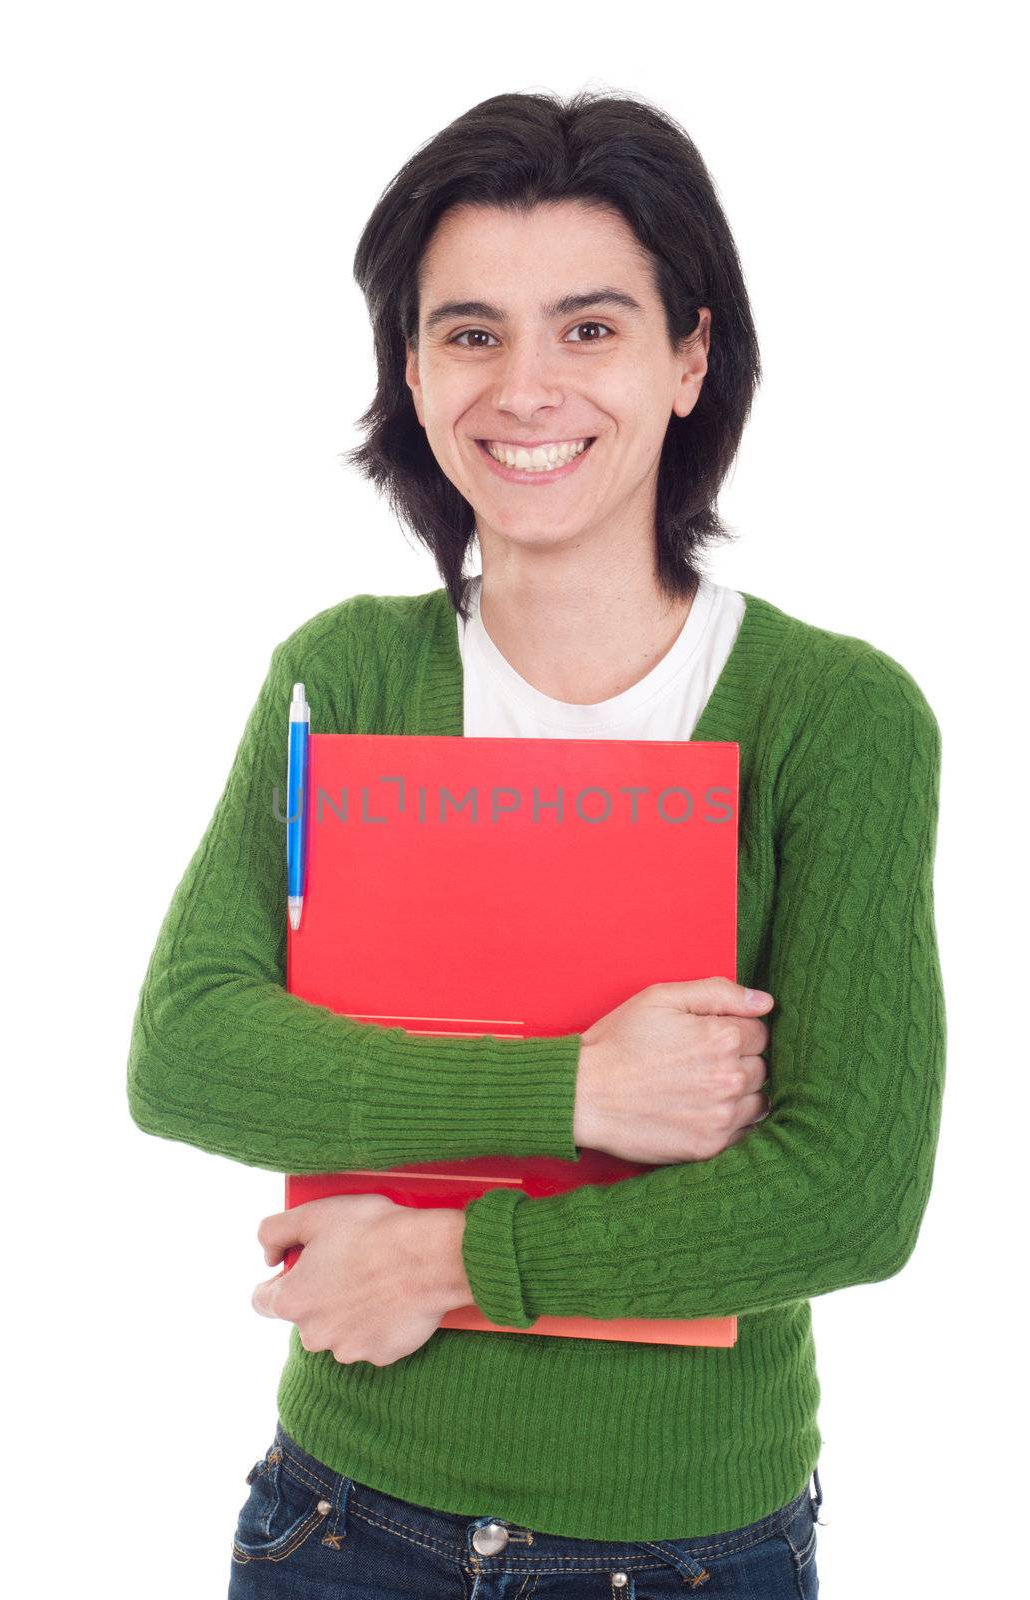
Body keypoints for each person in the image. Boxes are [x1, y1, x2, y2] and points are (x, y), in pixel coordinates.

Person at [127, 89, 945, 1599]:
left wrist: (447, 1264)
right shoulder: (349, 674)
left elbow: (849, 1191)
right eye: (468, 332)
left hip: (693, 1551)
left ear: (690, 356)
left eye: (588, 329)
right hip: (339, 1523)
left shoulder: (833, 717)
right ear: (414, 371)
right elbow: (188, 1051)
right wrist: (583, 1089)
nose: (524, 388)